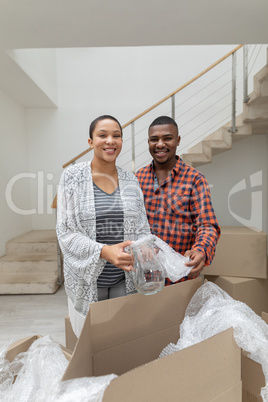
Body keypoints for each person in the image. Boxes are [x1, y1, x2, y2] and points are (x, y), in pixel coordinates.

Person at [56, 115, 150, 337]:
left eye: (116, 136)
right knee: (90, 344)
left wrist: (146, 247)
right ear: (90, 142)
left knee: (117, 340)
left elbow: (142, 226)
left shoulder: (131, 180)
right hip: (86, 280)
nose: (110, 141)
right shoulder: (72, 177)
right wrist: (104, 251)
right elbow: (65, 231)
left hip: (123, 278)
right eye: (103, 135)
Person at [136, 116, 220, 285]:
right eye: (154, 139)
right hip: (144, 277)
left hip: (180, 279)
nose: (160, 144)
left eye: (167, 138)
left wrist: (200, 250)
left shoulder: (195, 180)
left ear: (178, 140)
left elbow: (207, 225)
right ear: (148, 142)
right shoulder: (137, 178)